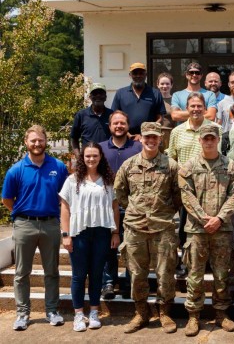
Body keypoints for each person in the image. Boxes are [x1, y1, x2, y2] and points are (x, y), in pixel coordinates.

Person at [114, 122, 181, 334]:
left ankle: (164, 312)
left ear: (161, 139)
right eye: (147, 137)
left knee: (165, 273)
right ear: (141, 139)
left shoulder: (171, 166)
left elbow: (178, 196)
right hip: (135, 228)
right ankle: (141, 313)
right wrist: (136, 210)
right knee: (136, 274)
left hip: (163, 228)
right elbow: (120, 193)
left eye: (155, 137)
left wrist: (163, 212)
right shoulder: (129, 165)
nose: (151, 141)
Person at [2, 125, 69, 331]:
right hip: (25, 225)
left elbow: (65, 196)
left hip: (50, 224)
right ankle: (22, 313)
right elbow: (6, 199)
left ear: (45, 141)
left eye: (40, 140)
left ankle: (51, 310)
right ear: (26, 143)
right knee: (22, 272)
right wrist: (24, 212)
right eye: (33, 141)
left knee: (52, 271)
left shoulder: (58, 166)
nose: (37, 144)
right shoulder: (16, 170)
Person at [179, 124, 234, 336]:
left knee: (222, 275)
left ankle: (221, 314)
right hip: (196, 231)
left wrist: (219, 218)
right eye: (205, 138)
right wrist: (204, 218)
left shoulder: (231, 167)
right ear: (200, 140)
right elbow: (186, 196)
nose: (208, 142)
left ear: (217, 140)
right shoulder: (188, 167)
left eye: (212, 138)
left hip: (222, 230)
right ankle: (194, 316)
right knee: (195, 275)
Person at [59, 142, 119, 332]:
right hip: (79, 233)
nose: (91, 159)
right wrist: (66, 235)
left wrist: (115, 232)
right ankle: (78, 314)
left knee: (96, 274)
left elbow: (115, 207)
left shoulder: (109, 180)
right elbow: (65, 208)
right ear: (82, 158)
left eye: (94, 155)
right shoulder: (72, 180)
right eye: (87, 156)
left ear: (100, 157)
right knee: (78, 275)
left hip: (102, 233)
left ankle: (94, 311)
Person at [167, 92, 215, 278]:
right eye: (192, 106)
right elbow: (171, 159)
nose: (196, 109)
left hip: (210, 188)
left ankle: (207, 263)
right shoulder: (176, 132)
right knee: (183, 230)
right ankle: (184, 264)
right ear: (187, 109)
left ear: (205, 108)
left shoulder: (214, 128)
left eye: (199, 106)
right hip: (184, 189)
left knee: (207, 226)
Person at [99, 110, 142, 300]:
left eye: (122, 123)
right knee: (108, 246)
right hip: (106, 206)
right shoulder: (100, 149)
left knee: (131, 246)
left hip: (132, 205)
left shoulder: (138, 148)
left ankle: (128, 281)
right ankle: (108, 282)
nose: (119, 126)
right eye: (115, 123)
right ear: (110, 126)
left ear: (128, 125)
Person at [111, 62, 165, 138]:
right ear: (130, 75)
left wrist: (147, 133)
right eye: (135, 73)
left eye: (141, 73)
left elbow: (160, 118)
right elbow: (114, 116)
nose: (138, 76)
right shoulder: (120, 93)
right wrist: (128, 134)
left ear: (145, 75)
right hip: (125, 138)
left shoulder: (155, 93)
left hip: (148, 138)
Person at [70, 82, 113, 159]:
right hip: (89, 160)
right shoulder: (81, 115)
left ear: (105, 97)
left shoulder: (112, 115)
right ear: (90, 97)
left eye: (101, 93)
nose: (98, 96)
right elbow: (74, 138)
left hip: (108, 158)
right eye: (95, 94)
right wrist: (79, 157)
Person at [156, 72, 176, 149]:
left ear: (171, 85)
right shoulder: (154, 100)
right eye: (162, 84)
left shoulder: (175, 100)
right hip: (156, 133)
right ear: (158, 85)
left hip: (171, 134)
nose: (165, 86)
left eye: (167, 84)